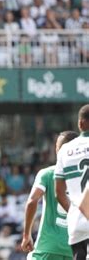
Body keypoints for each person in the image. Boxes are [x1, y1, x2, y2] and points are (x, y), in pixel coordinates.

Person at [21, 130, 79, 260]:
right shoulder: (84, 178)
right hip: (74, 249)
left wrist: (26, 235)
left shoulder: (47, 174)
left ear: (59, 150)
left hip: (48, 247)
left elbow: (32, 201)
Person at [55, 104, 89, 260]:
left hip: (78, 221)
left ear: (80, 123)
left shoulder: (65, 150)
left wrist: (75, 212)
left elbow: (59, 193)